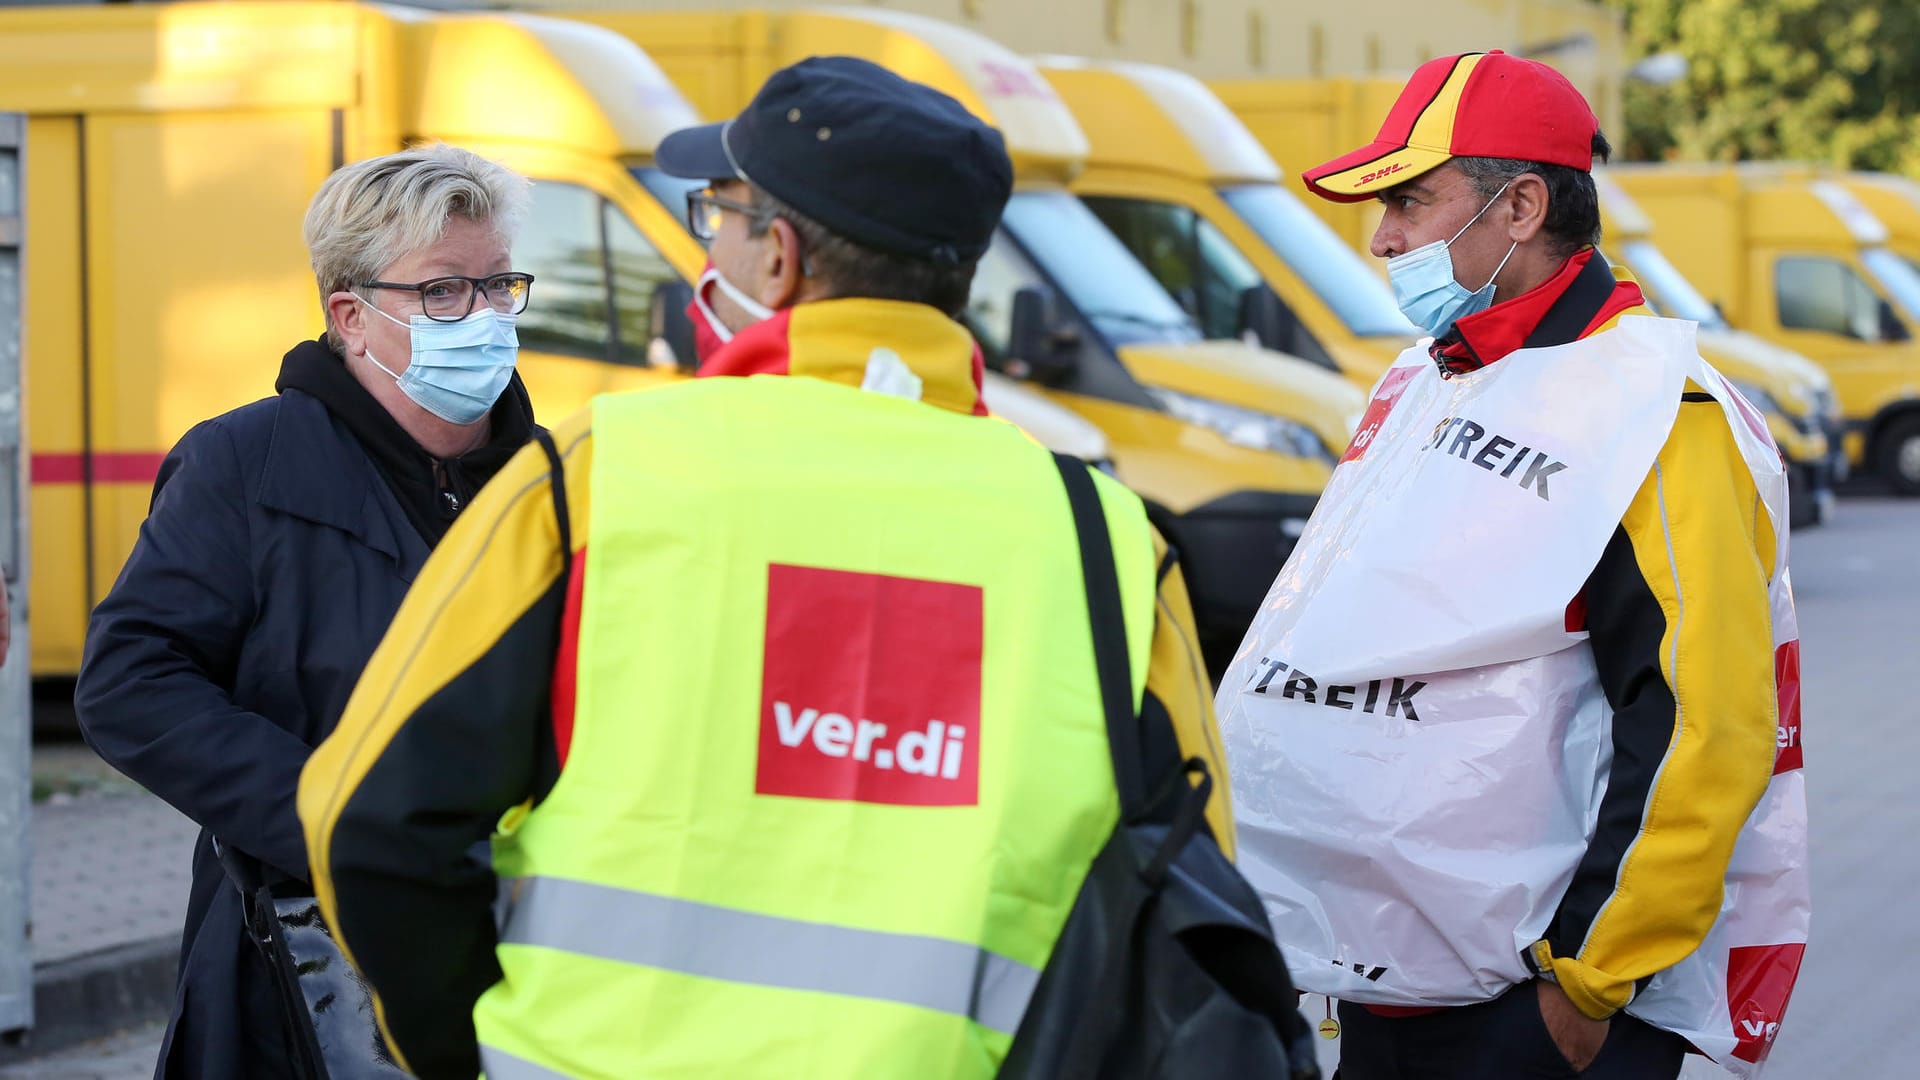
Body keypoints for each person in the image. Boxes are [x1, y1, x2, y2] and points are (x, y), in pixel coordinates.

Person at [297, 57, 1236, 1080]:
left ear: (778, 259)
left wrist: (451, 1046)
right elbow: (1198, 882)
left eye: (719, 214)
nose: (711, 239)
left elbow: (369, 815)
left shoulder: (599, 473)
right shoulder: (1103, 537)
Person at [1216, 51, 1807, 1079]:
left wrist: (1580, 982)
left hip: (1532, 1014)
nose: (1384, 236)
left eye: (1410, 199)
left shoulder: (1658, 416)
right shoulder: (1438, 375)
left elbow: (1707, 725)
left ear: (1522, 206)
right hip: (1385, 988)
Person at [73, 144, 538, 1077]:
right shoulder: (245, 463)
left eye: (500, 286)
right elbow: (131, 683)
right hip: (297, 966)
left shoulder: (549, 482)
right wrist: (338, 816)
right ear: (350, 316)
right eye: (443, 293)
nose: (482, 319)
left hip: (513, 946)